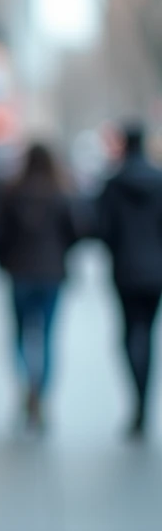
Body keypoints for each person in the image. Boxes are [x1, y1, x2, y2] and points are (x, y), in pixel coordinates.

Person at [0, 143, 79, 432]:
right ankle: (39, 392)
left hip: (20, 273)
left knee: (19, 335)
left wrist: (4, 261)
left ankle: (27, 385)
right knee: (47, 337)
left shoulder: (11, 192)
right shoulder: (60, 193)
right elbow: (76, 231)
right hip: (52, 274)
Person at [97, 122, 162, 439]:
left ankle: (137, 403)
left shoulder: (113, 183)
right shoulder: (160, 180)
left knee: (128, 334)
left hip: (124, 270)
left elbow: (101, 228)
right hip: (156, 271)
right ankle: (144, 402)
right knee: (147, 334)